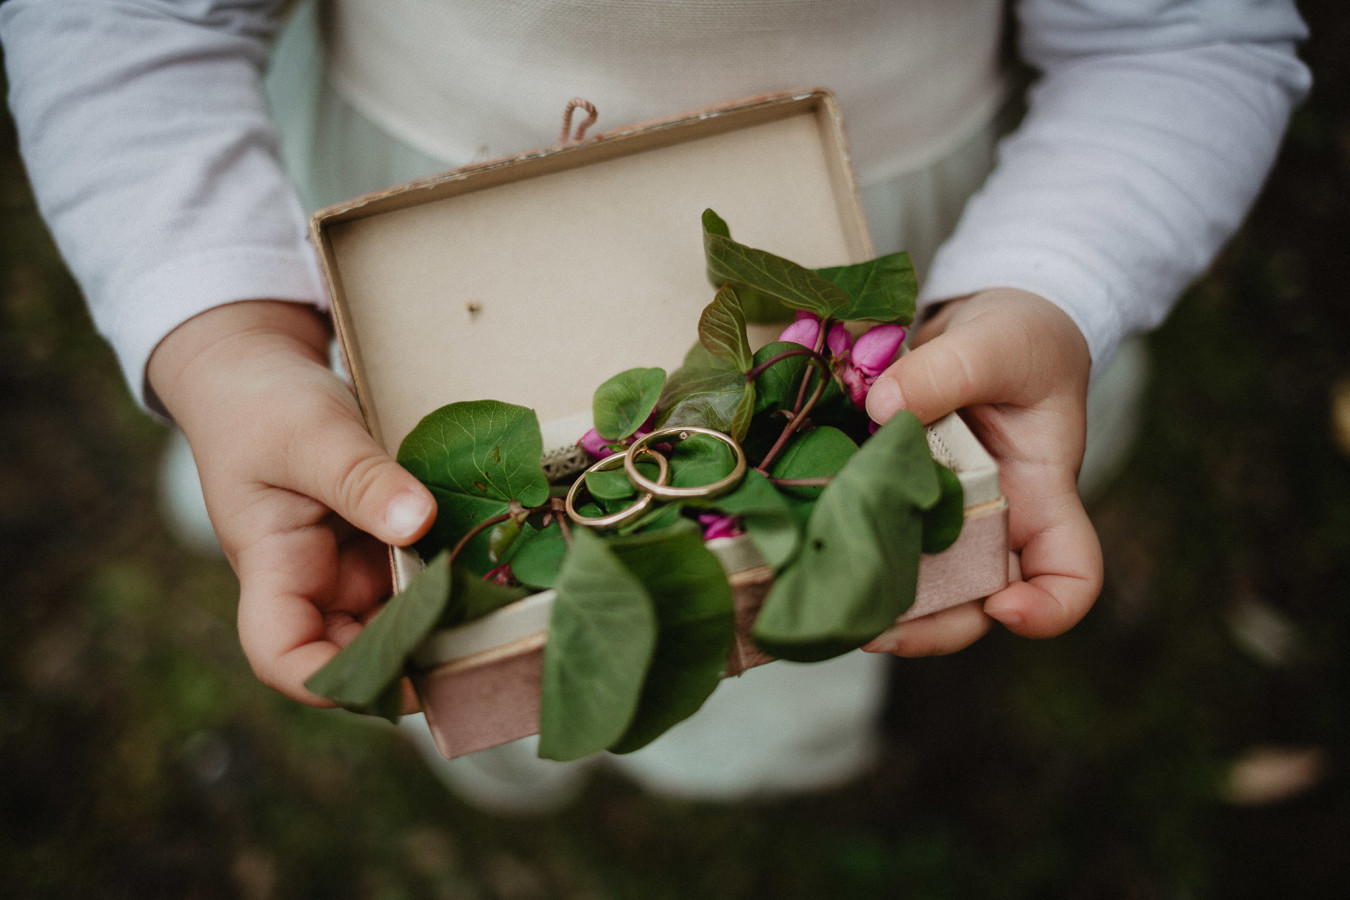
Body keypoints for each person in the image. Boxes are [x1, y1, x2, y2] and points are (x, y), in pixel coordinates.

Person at [0, 0, 1310, 807]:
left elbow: (1186, 32)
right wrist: (224, 331)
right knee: (459, 600)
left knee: (768, 597)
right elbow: (124, 15)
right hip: (436, 276)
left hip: (867, 253)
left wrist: (1053, 281)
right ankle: (525, 731)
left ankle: (705, 740)